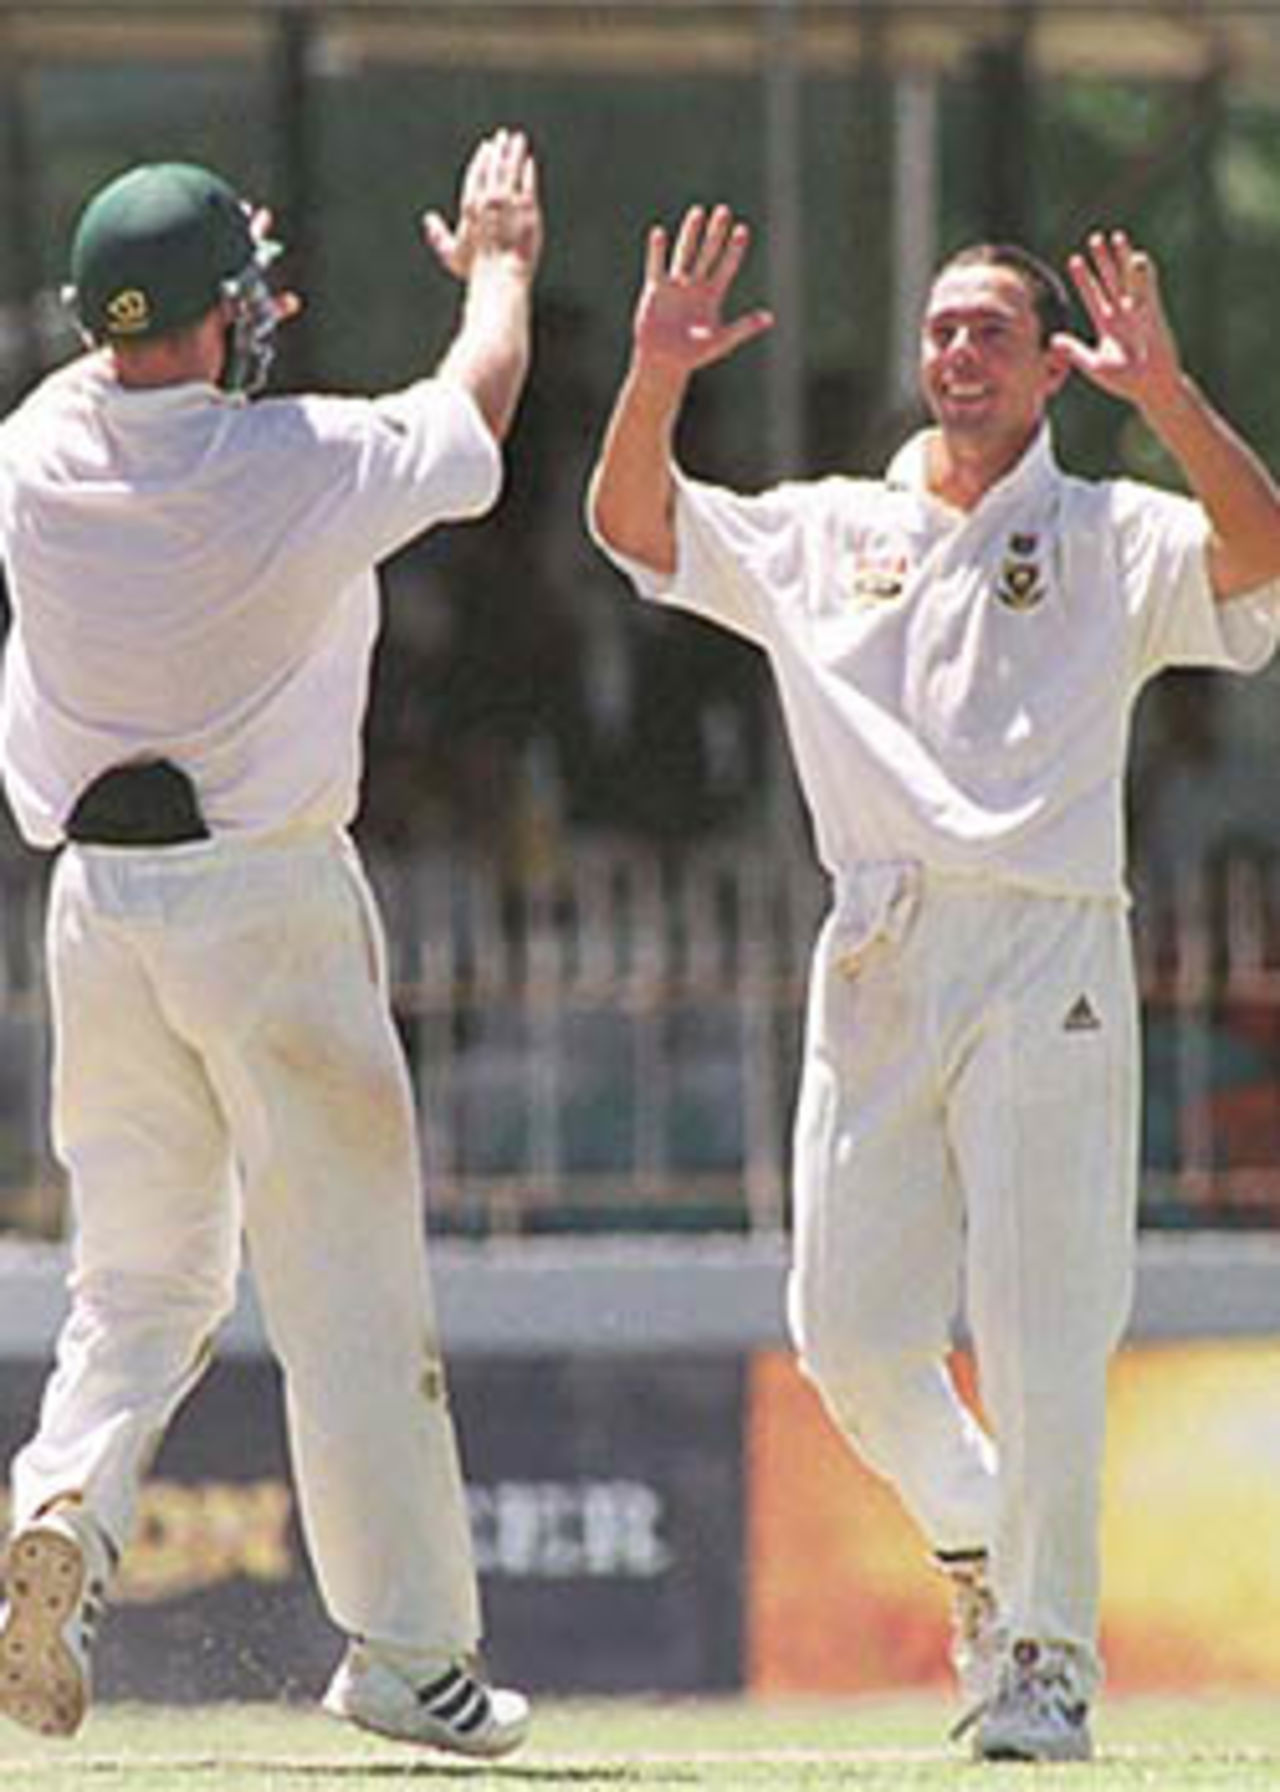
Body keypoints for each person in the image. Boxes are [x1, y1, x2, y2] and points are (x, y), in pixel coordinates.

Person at [587, 207, 1280, 1761]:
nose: (959, 353)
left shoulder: (1109, 531)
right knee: (844, 1334)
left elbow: (1264, 553)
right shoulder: (830, 529)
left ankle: (1045, 1657)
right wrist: (656, 374)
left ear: (1050, 370)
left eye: (991, 334)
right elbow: (637, 527)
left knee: (1042, 1331)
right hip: (879, 946)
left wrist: (1170, 395)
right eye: (942, 330)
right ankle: (979, 1534)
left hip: (1046, 946)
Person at [0, 131, 541, 1756]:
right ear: (216, 317)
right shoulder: (292, 461)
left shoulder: (36, 449)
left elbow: (150, 361)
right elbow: (475, 410)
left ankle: (66, 1512)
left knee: (135, 1281)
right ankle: (408, 1655)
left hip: (100, 912)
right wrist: (500, 266)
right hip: (268, 906)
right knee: (345, 1285)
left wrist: (207, 308)